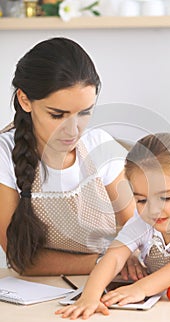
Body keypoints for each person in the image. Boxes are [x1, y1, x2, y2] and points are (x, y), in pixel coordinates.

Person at [0, 37, 143, 277]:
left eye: (84, 113)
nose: (73, 130)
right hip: (44, 290)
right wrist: (102, 262)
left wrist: (128, 261)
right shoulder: (4, 154)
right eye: (58, 115)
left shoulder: (99, 145)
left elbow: (138, 233)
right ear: (25, 100)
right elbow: (20, 258)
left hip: (104, 282)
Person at [55, 132, 170, 320]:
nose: (153, 210)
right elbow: (114, 257)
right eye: (141, 200)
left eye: (165, 197)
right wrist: (90, 296)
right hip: (167, 313)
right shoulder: (141, 220)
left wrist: (140, 288)